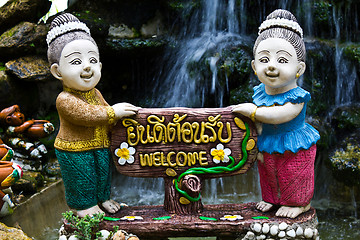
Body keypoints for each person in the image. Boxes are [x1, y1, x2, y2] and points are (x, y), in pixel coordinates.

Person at [47, 13, 139, 217]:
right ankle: (84, 206)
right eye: (76, 61)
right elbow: (86, 114)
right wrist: (113, 112)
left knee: (102, 174)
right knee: (83, 176)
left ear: (100, 66)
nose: (87, 66)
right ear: (57, 71)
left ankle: (102, 198)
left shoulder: (95, 93)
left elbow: (105, 114)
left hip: (100, 145)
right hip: (74, 150)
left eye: (92, 59)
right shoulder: (65, 99)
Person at [232, 9, 320, 218]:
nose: (271, 66)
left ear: (299, 68)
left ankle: (299, 203)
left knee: (293, 174)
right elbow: (264, 119)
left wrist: (254, 113)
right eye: (264, 60)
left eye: (282, 60)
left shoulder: (297, 96)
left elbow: (282, 115)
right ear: (254, 66)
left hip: (294, 144)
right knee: (269, 172)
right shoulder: (261, 93)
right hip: (269, 142)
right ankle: (271, 198)